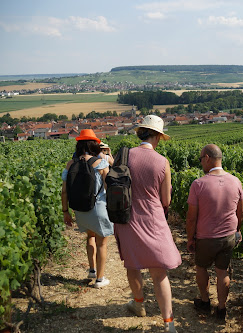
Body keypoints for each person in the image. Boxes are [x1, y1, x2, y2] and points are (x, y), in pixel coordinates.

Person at [113, 115, 181, 332]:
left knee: (132, 264)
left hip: (126, 217)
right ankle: (168, 325)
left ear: (140, 132)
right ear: (159, 137)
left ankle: (139, 304)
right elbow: (166, 200)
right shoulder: (162, 162)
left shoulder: (123, 156)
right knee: (159, 273)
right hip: (152, 219)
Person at [186, 144, 243, 321]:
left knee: (201, 268)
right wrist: (237, 231)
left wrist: (190, 239)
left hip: (206, 238)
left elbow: (191, 218)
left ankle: (205, 302)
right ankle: (222, 309)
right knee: (222, 272)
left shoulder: (198, 184)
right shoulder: (236, 181)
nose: (201, 163)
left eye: (200, 159)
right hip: (228, 237)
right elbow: (241, 213)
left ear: (207, 158)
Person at [61, 129, 113, 288]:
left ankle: (92, 270)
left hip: (80, 209)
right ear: (94, 145)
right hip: (98, 208)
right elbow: (108, 187)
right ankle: (100, 279)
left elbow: (64, 191)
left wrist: (65, 212)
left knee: (90, 237)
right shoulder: (101, 163)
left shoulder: (70, 164)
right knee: (102, 243)